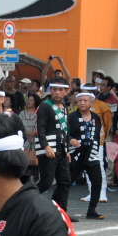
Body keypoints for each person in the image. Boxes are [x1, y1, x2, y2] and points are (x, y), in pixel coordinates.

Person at [35, 77, 75, 221]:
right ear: (50, 90)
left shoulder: (64, 108)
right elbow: (40, 129)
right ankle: (21, 201)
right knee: (45, 183)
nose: (57, 92)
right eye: (55, 89)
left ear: (66, 92)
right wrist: (46, 146)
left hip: (62, 150)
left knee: (65, 182)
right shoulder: (45, 106)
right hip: (49, 150)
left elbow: (65, 131)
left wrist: (68, 148)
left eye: (61, 90)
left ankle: (61, 212)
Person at [68, 93, 104, 219]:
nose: (82, 103)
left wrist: (96, 150)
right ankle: (60, 209)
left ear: (91, 103)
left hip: (91, 153)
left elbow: (97, 135)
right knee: (66, 182)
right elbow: (63, 133)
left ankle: (92, 210)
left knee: (97, 181)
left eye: (85, 100)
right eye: (80, 100)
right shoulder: (71, 117)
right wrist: (70, 139)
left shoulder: (96, 117)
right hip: (75, 153)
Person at [80, 84, 113, 203]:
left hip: (98, 141)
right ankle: (92, 192)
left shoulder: (103, 106)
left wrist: (102, 137)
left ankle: (102, 192)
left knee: (99, 166)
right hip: (84, 140)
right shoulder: (82, 106)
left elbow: (108, 124)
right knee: (87, 167)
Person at [22, 94, 41, 180]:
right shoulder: (22, 113)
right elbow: (20, 126)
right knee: (24, 159)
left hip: (36, 138)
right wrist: (28, 134)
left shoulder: (39, 113)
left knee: (35, 160)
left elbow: (40, 125)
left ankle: (35, 179)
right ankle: (25, 179)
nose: (29, 102)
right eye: (28, 100)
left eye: (31, 100)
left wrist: (34, 134)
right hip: (25, 138)